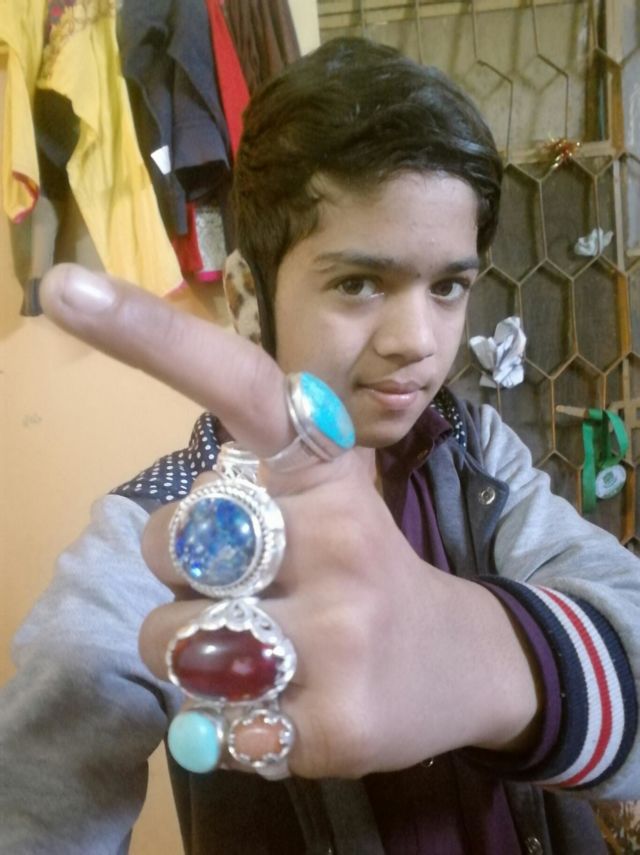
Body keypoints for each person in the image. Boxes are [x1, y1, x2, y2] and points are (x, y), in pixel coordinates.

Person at [1, 36, 638, 855]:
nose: (417, 340)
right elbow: (41, 782)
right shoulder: (169, 528)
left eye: (448, 286)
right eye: (358, 282)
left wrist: (483, 655)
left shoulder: (474, 448)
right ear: (246, 295)